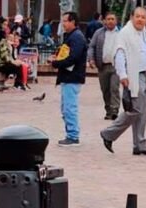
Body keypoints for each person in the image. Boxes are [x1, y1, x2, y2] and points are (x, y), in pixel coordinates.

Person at [100, 7, 146, 156]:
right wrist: (123, 75)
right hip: (132, 74)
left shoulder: (145, 34)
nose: (140, 19)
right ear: (131, 17)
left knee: (142, 112)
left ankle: (139, 144)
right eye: (137, 16)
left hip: (143, 74)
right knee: (135, 109)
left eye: (143, 17)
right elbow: (119, 54)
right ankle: (108, 133)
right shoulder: (125, 33)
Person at [50, 11, 87, 146]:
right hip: (67, 77)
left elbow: (72, 58)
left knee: (70, 108)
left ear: (73, 22)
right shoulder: (71, 36)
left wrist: (56, 63)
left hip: (72, 77)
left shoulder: (76, 37)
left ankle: (73, 135)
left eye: (65, 21)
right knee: (65, 108)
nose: (63, 24)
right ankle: (70, 133)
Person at [88, 12, 120, 120]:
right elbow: (92, 46)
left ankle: (115, 110)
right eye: (108, 19)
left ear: (116, 21)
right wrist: (91, 59)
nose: (110, 21)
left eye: (112, 19)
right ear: (104, 21)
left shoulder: (121, 33)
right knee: (105, 89)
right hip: (103, 66)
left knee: (114, 88)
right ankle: (108, 111)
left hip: (117, 67)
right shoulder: (99, 33)